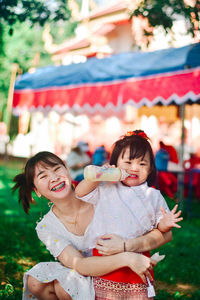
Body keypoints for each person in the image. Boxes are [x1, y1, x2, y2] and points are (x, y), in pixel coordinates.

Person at [13, 151, 172, 300]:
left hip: (118, 274)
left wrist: (128, 246)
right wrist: (126, 258)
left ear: (67, 170)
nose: (54, 178)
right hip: (87, 270)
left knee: (63, 288)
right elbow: (79, 264)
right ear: (37, 190)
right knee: (37, 281)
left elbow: (166, 233)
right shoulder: (46, 227)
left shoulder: (103, 192)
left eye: (57, 169)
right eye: (43, 176)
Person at [76, 130, 182, 299]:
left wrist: (166, 222)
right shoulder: (105, 188)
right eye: (128, 162)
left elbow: (160, 226)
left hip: (137, 255)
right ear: (115, 164)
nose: (134, 168)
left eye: (142, 164)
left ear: (150, 168)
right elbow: (80, 193)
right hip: (105, 255)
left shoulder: (153, 195)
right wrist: (95, 177)